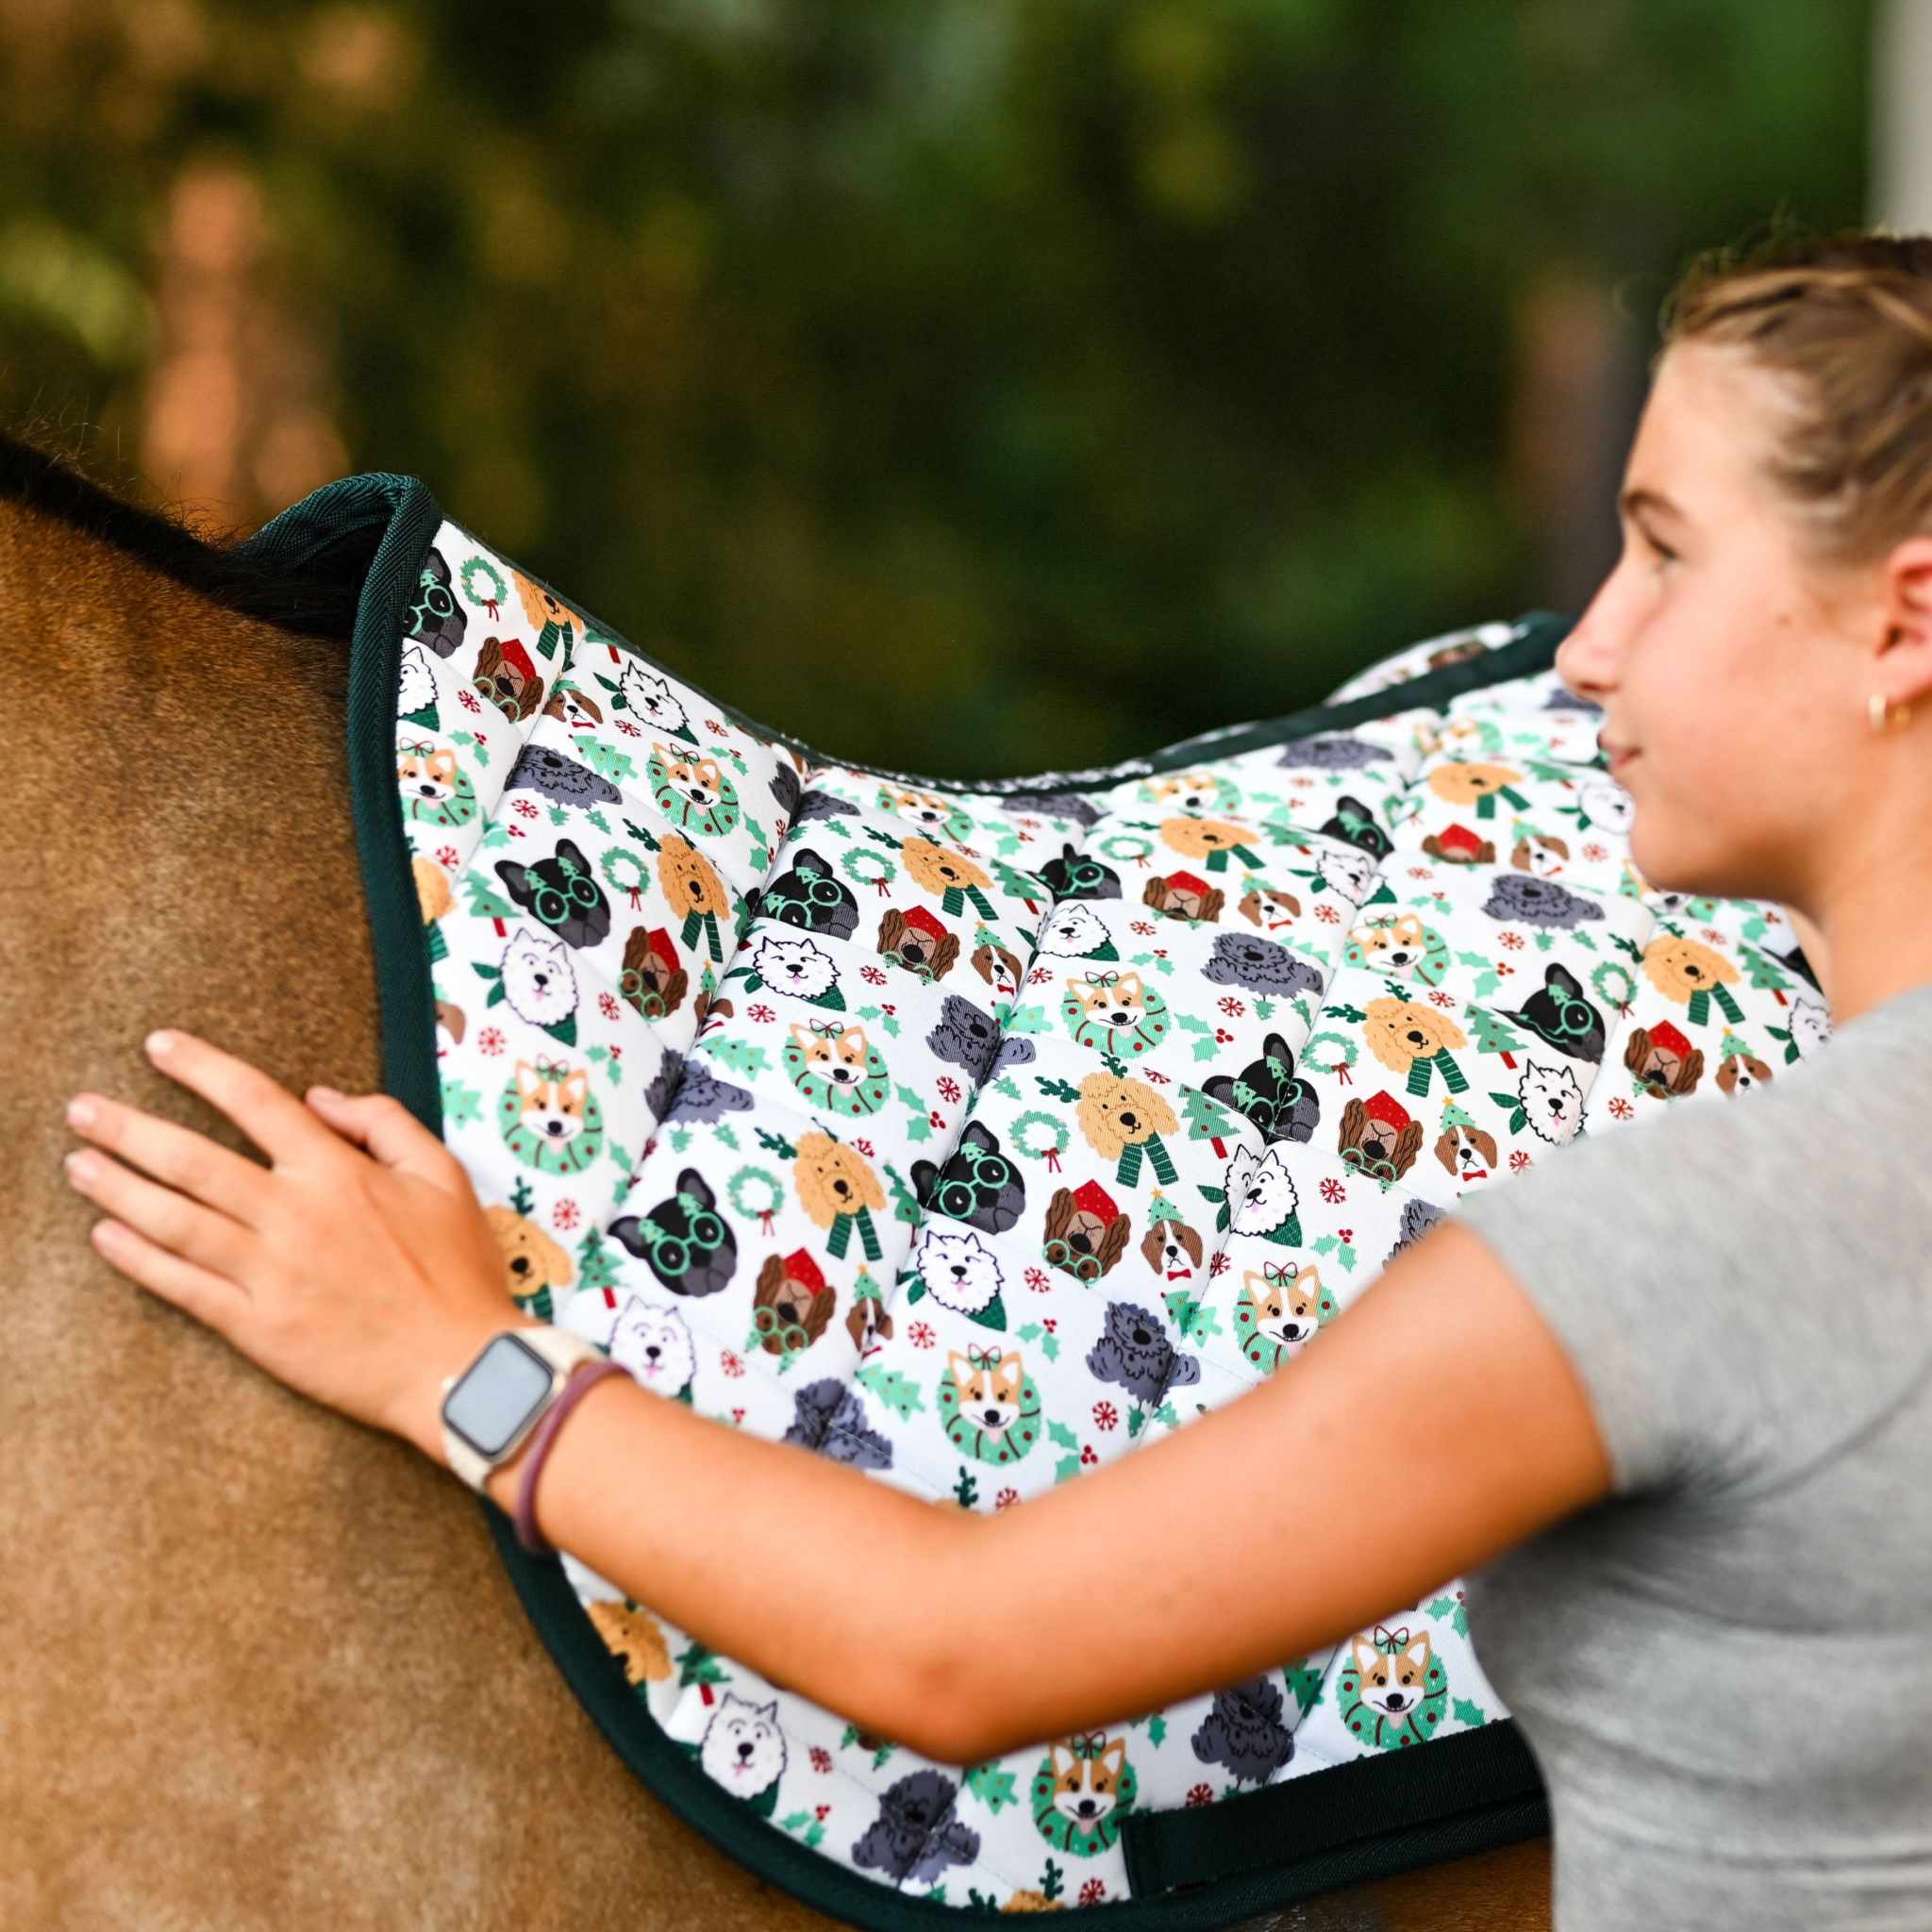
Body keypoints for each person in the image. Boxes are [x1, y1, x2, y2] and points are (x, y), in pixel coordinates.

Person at [57, 221, 1932, 1929]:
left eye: (1666, 555)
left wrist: (451, 1361)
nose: (1583, 647)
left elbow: (957, 1649)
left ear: (1903, 620)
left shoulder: (1689, 1241)